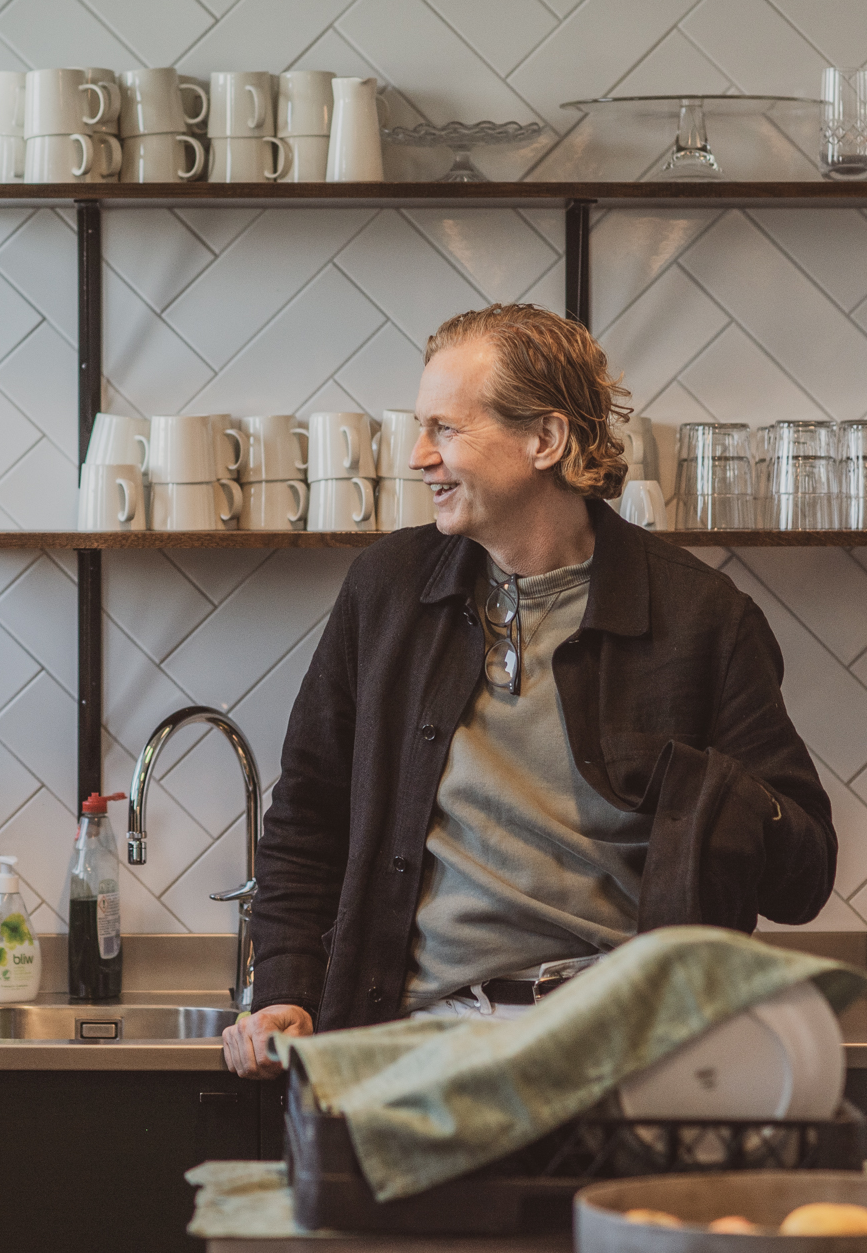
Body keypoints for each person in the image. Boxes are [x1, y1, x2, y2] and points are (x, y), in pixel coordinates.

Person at [222, 303, 835, 1079]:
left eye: (445, 428)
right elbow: (308, 811)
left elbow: (804, 877)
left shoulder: (702, 617)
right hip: (419, 1047)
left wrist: (715, 799)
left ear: (544, 440)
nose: (418, 455)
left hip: (628, 1054)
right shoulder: (386, 592)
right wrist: (284, 985)